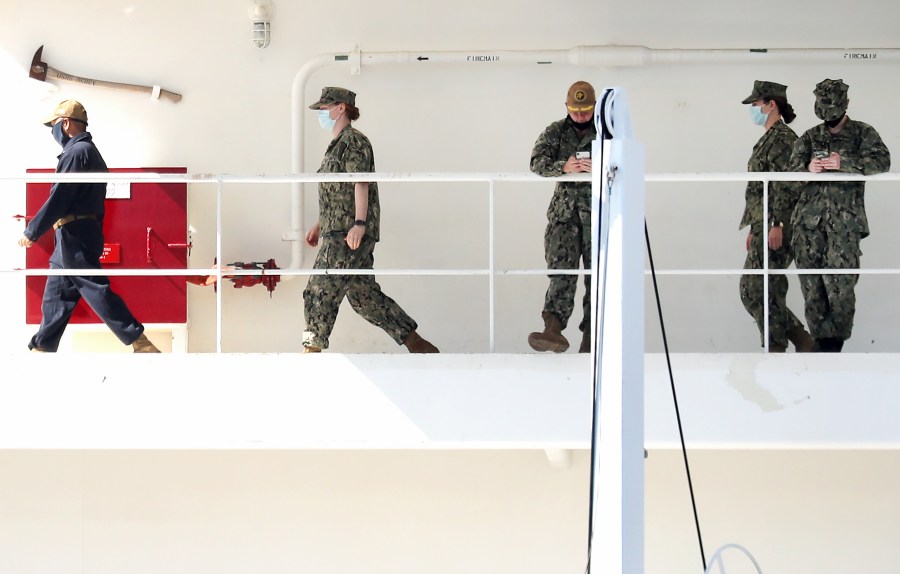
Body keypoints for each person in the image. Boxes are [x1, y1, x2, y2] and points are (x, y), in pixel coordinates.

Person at [302, 87, 438, 353]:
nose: (321, 113)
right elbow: (336, 192)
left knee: (320, 286)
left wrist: (359, 224)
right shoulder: (337, 144)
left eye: (324, 108)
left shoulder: (353, 141)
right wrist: (320, 224)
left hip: (348, 232)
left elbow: (360, 182)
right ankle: (415, 341)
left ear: (341, 108)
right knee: (364, 297)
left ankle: (312, 348)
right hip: (338, 227)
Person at [19, 99, 160, 353]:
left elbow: (60, 197)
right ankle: (42, 346)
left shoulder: (77, 153)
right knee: (56, 295)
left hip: (76, 234)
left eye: (53, 125)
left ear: (64, 124)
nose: (53, 131)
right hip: (74, 235)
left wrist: (32, 231)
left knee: (94, 288)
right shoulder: (85, 151)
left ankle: (140, 341)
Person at [789, 79, 891, 352]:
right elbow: (789, 175)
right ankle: (822, 345)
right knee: (812, 288)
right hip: (808, 225)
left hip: (845, 225)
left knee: (841, 286)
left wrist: (844, 163)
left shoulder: (862, 133)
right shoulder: (809, 137)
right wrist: (807, 167)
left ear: (845, 105)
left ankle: (835, 344)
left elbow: (882, 162)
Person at [738, 80, 815, 353]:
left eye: (756, 104)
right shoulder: (769, 138)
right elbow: (761, 189)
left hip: (777, 224)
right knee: (754, 288)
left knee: (761, 286)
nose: (753, 109)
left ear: (771, 104)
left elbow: (788, 185)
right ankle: (801, 339)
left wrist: (777, 224)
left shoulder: (783, 139)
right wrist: (753, 226)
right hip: (764, 223)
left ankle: (778, 346)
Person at [527, 80, 597, 354]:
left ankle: (591, 338)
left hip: (598, 216)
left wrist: (599, 165)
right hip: (564, 216)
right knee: (561, 273)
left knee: (598, 278)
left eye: (585, 110)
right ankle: (552, 331)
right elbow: (536, 163)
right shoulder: (556, 131)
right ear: (567, 107)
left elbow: (623, 163)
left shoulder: (608, 133)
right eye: (576, 110)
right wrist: (563, 167)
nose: (580, 116)